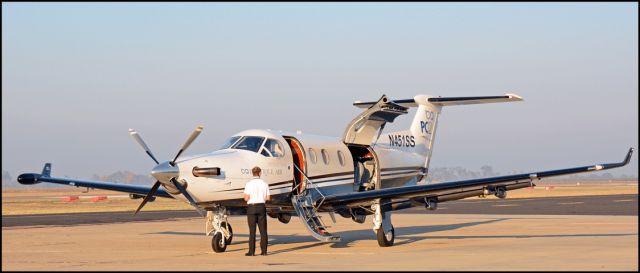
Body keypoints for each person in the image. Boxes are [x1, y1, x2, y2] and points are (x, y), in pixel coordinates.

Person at [243, 166, 271, 256]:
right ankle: (264, 251)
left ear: (252, 173)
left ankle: (251, 252)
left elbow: (246, 198)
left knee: (252, 231)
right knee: (263, 231)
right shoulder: (265, 184)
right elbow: (268, 198)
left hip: (251, 208)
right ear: (260, 173)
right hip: (261, 207)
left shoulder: (248, 184)